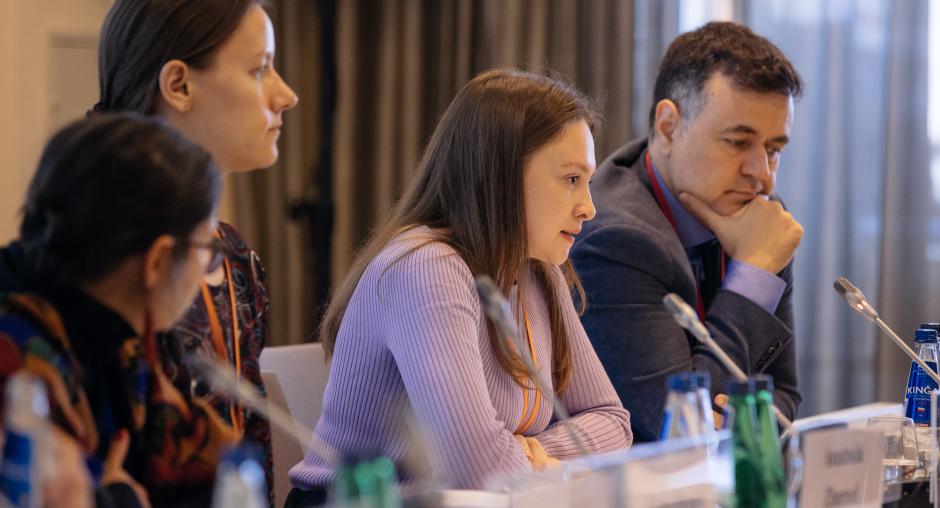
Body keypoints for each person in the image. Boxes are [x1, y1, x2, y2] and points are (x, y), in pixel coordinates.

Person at [286, 69, 633, 505]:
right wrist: (527, 460)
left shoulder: (538, 272)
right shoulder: (426, 269)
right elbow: (479, 471)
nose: (589, 208)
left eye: (587, 181)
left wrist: (536, 451)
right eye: (571, 179)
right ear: (501, 176)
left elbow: (613, 422)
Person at [93, 0, 299, 495]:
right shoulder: (103, 265)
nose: (287, 95)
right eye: (260, 69)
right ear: (179, 85)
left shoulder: (237, 258)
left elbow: (252, 449)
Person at [569, 21, 804, 443]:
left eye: (774, 150)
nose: (762, 176)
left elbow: (784, 396)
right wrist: (754, 272)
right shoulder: (614, 239)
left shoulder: (762, 221)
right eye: (738, 142)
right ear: (667, 127)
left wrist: (738, 421)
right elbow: (679, 433)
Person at [0, 113, 235, 507]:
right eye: (207, 250)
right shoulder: (19, 363)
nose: (207, 267)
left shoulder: (124, 336)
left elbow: (212, 471)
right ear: (158, 260)